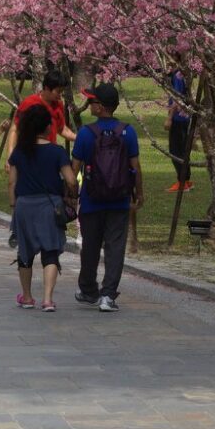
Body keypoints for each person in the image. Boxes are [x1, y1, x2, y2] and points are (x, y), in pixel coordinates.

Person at [70, 83, 141, 312]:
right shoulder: (128, 132)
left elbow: (74, 169)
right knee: (115, 247)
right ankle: (108, 295)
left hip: (91, 200)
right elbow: (135, 166)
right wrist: (139, 193)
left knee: (90, 246)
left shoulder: (86, 133)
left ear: (100, 107)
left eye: (92, 101)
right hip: (119, 200)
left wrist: (70, 195)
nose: (89, 104)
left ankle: (89, 290)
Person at [6, 102, 76, 311]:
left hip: (24, 206)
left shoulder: (20, 151)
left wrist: (14, 206)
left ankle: (27, 297)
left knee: (24, 253)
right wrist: (72, 196)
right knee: (50, 251)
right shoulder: (57, 152)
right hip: (50, 207)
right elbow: (71, 180)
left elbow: (12, 183)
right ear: (47, 127)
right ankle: (47, 299)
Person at [0, 71, 70, 149]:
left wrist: (77, 138)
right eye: (58, 92)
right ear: (47, 88)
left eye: (62, 92)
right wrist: (10, 154)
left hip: (49, 151)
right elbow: (15, 129)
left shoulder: (58, 104)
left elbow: (62, 129)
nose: (60, 95)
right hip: (29, 151)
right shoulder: (29, 103)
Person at [164, 67, 194, 193]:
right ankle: (186, 180)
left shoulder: (178, 75)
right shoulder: (184, 72)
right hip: (185, 117)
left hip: (178, 118)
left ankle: (182, 182)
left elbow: (176, 98)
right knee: (183, 150)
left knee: (175, 151)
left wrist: (169, 118)